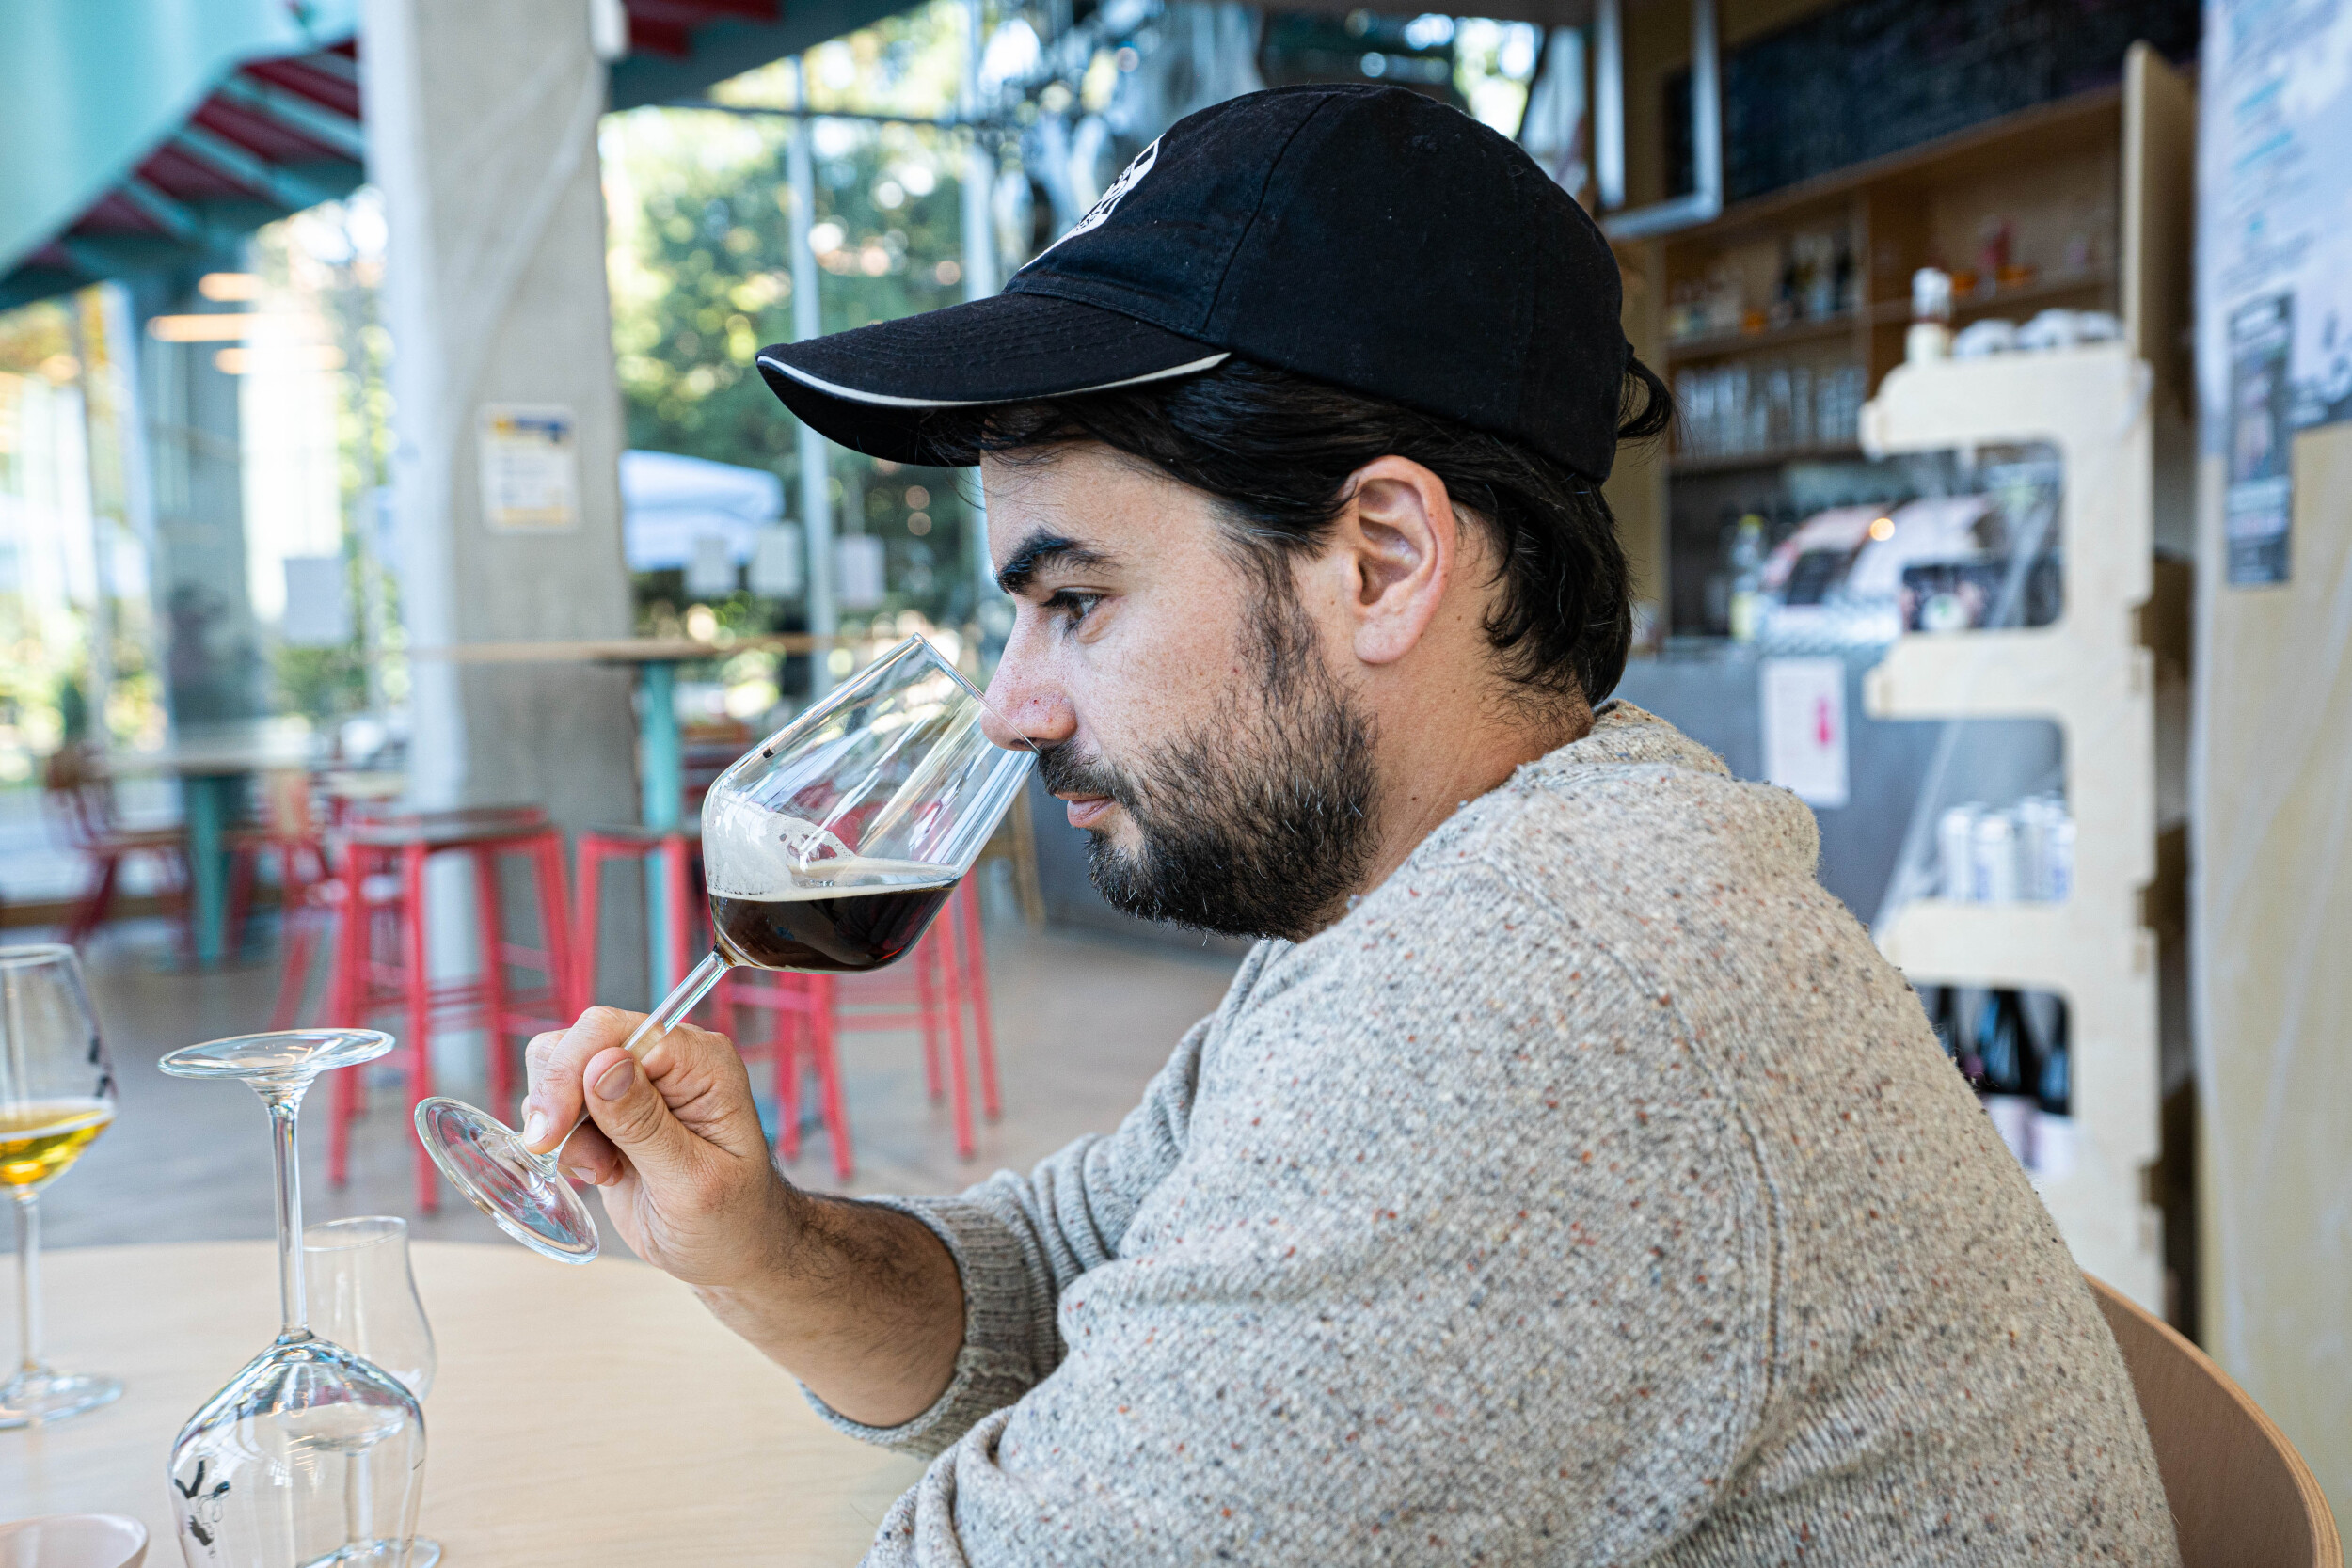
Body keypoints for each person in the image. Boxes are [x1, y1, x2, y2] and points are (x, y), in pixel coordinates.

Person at [523, 86, 2179, 1564]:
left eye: (1078, 601)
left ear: (1384, 559)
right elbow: (1064, 1280)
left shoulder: (1542, 1000)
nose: (1016, 707)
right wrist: (758, 1249)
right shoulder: (1454, 879)